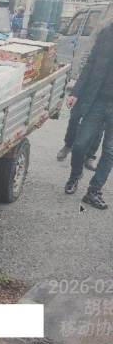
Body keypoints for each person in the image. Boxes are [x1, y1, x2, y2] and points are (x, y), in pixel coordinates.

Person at [64, 19, 113, 209]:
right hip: (97, 101)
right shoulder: (106, 34)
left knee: (109, 151)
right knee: (79, 145)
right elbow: (90, 66)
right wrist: (76, 92)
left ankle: (94, 191)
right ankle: (75, 176)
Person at [56, 100, 105, 171]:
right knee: (74, 119)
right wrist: (73, 95)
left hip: (106, 99)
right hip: (84, 96)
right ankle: (68, 146)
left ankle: (89, 156)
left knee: (99, 128)